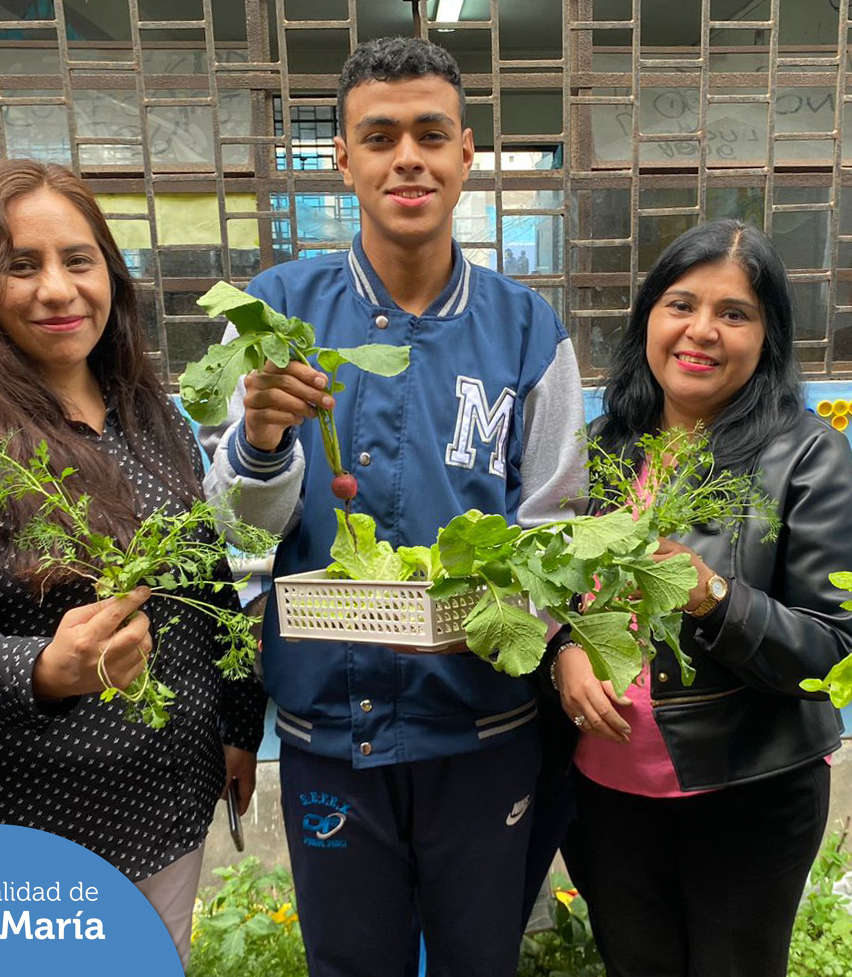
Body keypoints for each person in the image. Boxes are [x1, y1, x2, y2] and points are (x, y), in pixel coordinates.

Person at [198, 35, 587, 977]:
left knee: (479, 959)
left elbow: (553, 521)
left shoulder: (528, 328)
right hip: (332, 731)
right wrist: (258, 442)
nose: (405, 157)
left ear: (465, 153)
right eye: (378, 136)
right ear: (342, 158)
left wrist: (501, 618)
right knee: (350, 962)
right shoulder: (271, 312)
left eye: (429, 133)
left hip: (484, 727)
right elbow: (237, 537)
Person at [0, 159, 267, 964]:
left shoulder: (152, 419)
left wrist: (239, 725)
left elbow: (208, 585)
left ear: (108, 274)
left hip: (168, 805)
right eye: (22, 265)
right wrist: (47, 667)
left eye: (77, 260)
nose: (57, 288)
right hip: (30, 835)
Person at [547, 219, 852, 977]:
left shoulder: (805, 455)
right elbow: (554, 596)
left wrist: (713, 595)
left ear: (768, 337)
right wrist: (564, 650)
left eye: (734, 313)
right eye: (680, 304)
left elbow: (833, 649)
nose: (702, 331)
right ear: (647, 320)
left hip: (746, 794)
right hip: (604, 795)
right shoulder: (601, 447)